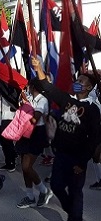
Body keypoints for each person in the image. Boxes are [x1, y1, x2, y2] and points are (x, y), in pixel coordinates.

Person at [31, 56, 101, 221]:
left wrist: (83, 161)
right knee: (56, 186)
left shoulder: (92, 109)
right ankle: (72, 211)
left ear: (89, 87)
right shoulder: (67, 100)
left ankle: (75, 217)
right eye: (77, 79)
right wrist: (38, 68)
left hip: (78, 158)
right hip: (61, 155)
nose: (77, 82)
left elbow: (94, 138)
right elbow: (47, 87)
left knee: (76, 192)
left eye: (81, 81)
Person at [14, 79, 53, 208]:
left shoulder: (42, 100)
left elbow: (35, 118)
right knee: (25, 166)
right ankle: (30, 196)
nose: (27, 88)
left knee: (26, 166)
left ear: (33, 87)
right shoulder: (29, 97)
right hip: (26, 132)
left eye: (29, 86)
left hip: (36, 133)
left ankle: (43, 190)